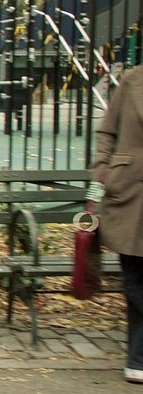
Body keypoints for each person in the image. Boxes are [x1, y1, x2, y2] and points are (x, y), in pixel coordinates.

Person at [92, 65, 143, 384]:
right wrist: (104, 170)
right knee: (134, 276)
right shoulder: (133, 79)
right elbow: (107, 131)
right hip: (131, 191)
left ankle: (137, 358)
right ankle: (137, 359)